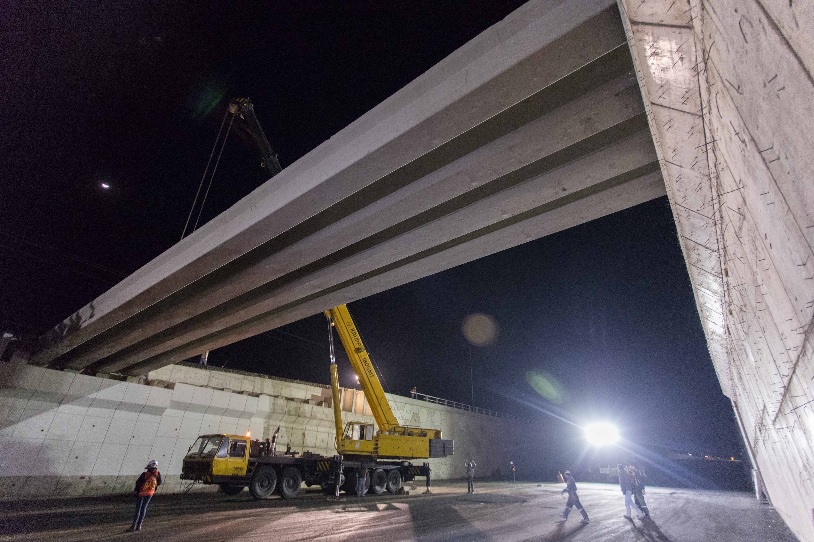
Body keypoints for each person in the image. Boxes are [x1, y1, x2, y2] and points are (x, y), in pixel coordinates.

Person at [129, 459, 162, 532]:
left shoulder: (144, 474)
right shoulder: (157, 474)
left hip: (141, 493)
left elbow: (138, 483)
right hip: (150, 493)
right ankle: (139, 526)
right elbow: (159, 482)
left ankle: (133, 526)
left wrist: (136, 491)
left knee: (138, 509)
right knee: (144, 508)